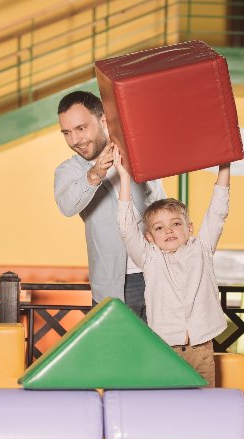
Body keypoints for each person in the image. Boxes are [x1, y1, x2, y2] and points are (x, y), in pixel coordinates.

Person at [114, 146, 230, 387]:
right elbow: (126, 228)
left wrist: (225, 166)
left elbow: (218, 212)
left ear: (189, 228)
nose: (168, 230)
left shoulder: (202, 249)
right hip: (166, 349)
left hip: (201, 348)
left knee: (203, 405)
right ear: (149, 237)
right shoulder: (149, 258)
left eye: (176, 223)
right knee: (170, 407)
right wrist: (124, 177)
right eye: (159, 227)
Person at [54, 90, 165, 320]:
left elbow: (155, 204)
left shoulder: (137, 153)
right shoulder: (68, 171)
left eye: (81, 128)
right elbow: (66, 205)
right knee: (117, 354)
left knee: (163, 353)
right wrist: (95, 173)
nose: (75, 140)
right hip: (113, 285)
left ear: (103, 120)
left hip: (159, 274)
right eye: (67, 133)